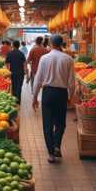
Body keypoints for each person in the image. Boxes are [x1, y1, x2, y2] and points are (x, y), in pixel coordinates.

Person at [32, 34, 75, 163]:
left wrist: (34, 97)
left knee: (47, 124)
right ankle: (57, 145)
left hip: (48, 93)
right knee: (61, 123)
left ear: (50, 43)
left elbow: (38, 79)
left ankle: (51, 154)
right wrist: (70, 96)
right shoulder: (68, 59)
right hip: (61, 93)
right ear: (62, 44)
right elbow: (72, 82)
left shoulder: (45, 58)